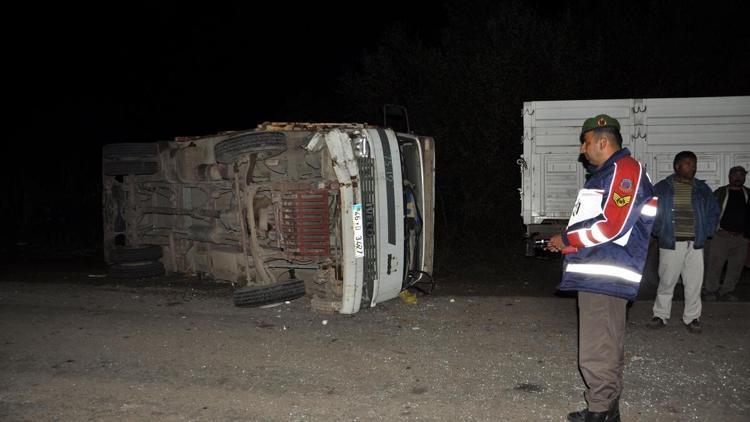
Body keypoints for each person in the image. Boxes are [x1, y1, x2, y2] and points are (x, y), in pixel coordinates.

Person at [547, 114, 657, 422]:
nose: (583, 150)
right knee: (604, 344)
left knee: (598, 348)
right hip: (597, 270)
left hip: (608, 273)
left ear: (602, 141)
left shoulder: (625, 170)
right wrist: (570, 244)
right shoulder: (605, 174)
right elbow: (598, 226)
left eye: (585, 143)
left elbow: (613, 225)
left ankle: (599, 412)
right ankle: (608, 409)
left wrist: (568, 237)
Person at [649, 151, 720, 333]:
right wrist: (659, 230)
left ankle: (692, 318)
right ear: (677, 166)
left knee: (694, 283)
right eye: (688, 163)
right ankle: (660, 315)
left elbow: (713, 211)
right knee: (667, 281)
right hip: (671, 243)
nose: (693, 167)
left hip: (695, 244)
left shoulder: (703, 189)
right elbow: (649, 212)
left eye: (694, 163)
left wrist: (708, 230)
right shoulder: (662, 188)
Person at [704, 166, 750, 302]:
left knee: (736, 267)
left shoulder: (748, 193)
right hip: (721, 236)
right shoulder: (720, 192)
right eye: (735, 174)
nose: (738, 177)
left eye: (741, 175)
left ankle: (727, 291)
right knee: (715, 265)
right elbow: (710, 211)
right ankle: (710, 291)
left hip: (741, 237)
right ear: (729, 176)